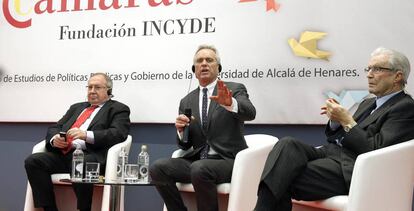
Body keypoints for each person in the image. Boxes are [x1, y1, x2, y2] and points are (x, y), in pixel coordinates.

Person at [254, 47, 414, 211]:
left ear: (397, 76)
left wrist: (347, 120)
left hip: (353, 169)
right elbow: (339, 137)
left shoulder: (405, 107)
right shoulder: (368, 103)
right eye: (369, 68)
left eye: (378, 69)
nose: (369, 74)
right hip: (332, 154)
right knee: (287, 144)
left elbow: (375, 151)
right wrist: (337, 122)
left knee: (281, 176)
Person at [150, 44, 256, 211]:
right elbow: (185, 145)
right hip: (198, 161)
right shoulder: (187, 100)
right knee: (158, 168)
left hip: (228, 160)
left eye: (209, 60)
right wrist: (181, 131)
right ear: (194, 69)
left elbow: (250, 113)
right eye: (200, 61)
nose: (204, 63)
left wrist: (231, 103)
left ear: (218, 67)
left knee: (200, 168)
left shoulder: (234, 89)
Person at [24, 72, 131, 211]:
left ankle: (83, 209)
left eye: (97, 87)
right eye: (89, 87)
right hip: (65, 155)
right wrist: (54, 139)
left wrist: (86, 135)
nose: (92, 91)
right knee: (33, 161)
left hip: (92, 156)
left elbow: (118, 134)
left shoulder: (118, 109)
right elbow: (55, 127)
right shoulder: (77, 107)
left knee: (81, 163)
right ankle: (49, 208)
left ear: (108, 90)